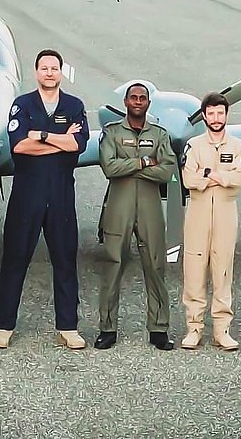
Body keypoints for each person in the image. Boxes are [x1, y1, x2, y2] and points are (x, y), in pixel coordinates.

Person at [0, 49, 89, 350]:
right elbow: (19, 147)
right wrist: (61, 140)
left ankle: (68, 326)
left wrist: (43, 137)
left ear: (61, 72)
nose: (49, 72)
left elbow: (78, 145)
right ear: (36, 72)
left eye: (54, 68)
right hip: (27, 195)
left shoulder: (74, 106)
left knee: (65, 260)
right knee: (14, 260)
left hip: (60, 195)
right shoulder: (22, 105)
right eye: (44, 68)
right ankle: (3, 326)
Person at [96, 82, 177, 351]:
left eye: (143, 98)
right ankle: (107, 328)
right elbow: (109, 167)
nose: (138, 101)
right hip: (119, 205)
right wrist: (144, 162)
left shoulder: (160, 135)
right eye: (134, 97)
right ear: (126, 103)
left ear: (148, 104)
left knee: (155, 265)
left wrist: (127, 167)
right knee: (113, 262)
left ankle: (159, 328)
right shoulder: (112, 133)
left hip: (150, 206)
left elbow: (166, 171)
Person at [180, 92, 241, 351]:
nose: (216, 118)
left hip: (225, 212)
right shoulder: (193, 146)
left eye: (220, 113)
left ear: (226, 115)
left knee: (222, 269)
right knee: (194, 269)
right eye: (211, 113)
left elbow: (239, 177)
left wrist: (207, 173)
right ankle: (194, 327)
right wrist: (219, 175)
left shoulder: (239, 145)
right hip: (198, 214)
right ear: (205, 116)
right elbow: (190, 181)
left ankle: (222, 330)